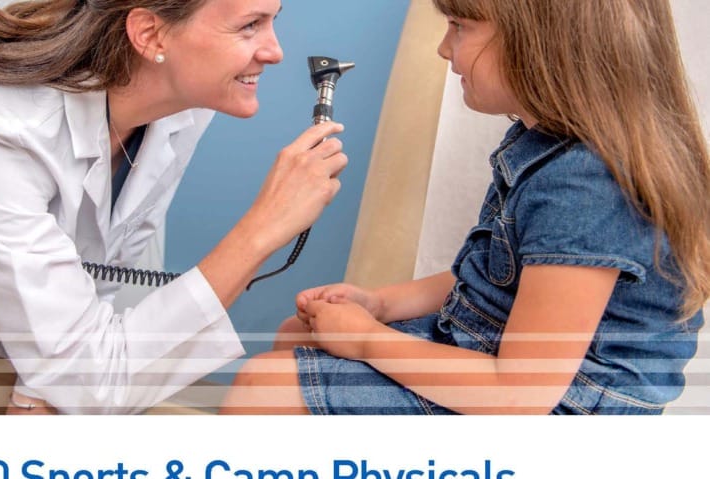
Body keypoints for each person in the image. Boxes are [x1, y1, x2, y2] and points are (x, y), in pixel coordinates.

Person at [221, 0, 710, 415]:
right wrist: (380, 303)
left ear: (542, 40)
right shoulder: (543, 149)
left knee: (264, 390)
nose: (443, 48)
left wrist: (369, 339)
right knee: (296, 334)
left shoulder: (584, 184)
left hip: (560, 407)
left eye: (460, 27)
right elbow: (492, 275)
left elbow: (522, 392)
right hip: (496, 353)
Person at [0, 0, 348, 414]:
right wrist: (263, 228)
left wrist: (43, 389)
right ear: (150, 34)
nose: (275, 50)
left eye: (272, 20)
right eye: (249, 25)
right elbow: (89, 377)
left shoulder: (182, 102)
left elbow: (110, 261)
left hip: (16, 332)